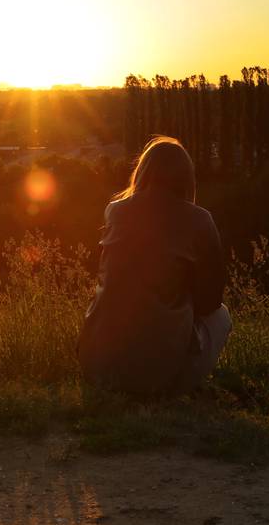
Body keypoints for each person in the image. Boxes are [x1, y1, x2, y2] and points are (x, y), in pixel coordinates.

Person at [78, 136, 231, 396]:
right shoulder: (199, 220)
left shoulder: (114, 211)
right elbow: (211, 301)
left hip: (95, 367)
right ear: (187, 178)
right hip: (155, 378)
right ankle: (176, 379)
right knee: (222, 316)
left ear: (143, 172)